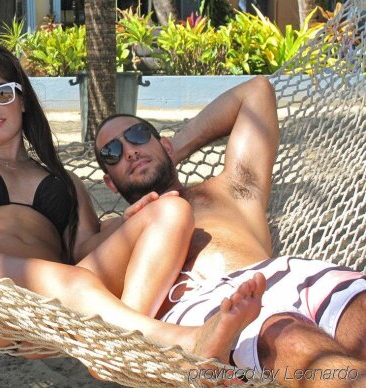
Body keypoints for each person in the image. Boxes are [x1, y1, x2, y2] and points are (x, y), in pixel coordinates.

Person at [0, 45, 265, 363]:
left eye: (1, 94)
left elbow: (85, 250)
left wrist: (128, 221)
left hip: (50, 311)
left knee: (172, 209)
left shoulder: (65, 182)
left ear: (21, 100)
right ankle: (178, 342)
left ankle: (119, 351)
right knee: (79, 283)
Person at [94, 75, 366, 384]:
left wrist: (170, 152)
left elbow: (256, 92)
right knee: (290, 339)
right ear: (110, 183)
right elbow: (73, 277)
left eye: (139, 135)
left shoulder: (231, 189)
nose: (130, 151)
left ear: (165, 144)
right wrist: (129, 225)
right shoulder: (113, 236)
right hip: (211, 315)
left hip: (289, 273)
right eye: (112, 152)